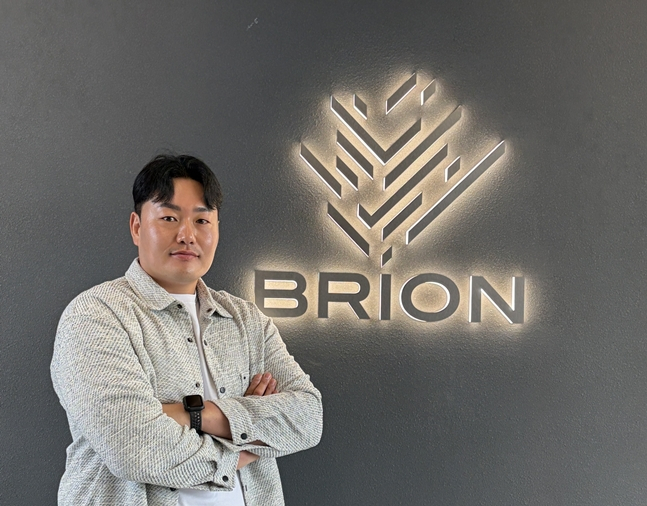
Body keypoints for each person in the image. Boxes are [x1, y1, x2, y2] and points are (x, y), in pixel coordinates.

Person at [51, 154, 323, 505]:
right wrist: (248, 440)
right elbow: (136, 448)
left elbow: (307, 418)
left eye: (202, 220)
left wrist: (192, 414)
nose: (187, 235)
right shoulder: (97, 315)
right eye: (169, 218)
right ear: (136, 227)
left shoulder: (246, 320)